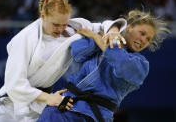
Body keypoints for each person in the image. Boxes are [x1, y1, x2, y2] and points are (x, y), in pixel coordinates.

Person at [0, 0, 127, 122]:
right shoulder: (25, 38)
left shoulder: (73, 27)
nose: (60, 29)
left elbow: (103, 25)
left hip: (40, 104)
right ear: (43, 16)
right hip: (11, 106)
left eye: (64, 24)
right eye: (56, 25)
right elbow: (14, 84)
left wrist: (113, 31)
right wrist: (49, 98)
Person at [37, 9, 170, 122]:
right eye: (142, 33)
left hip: (95, 115)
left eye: (148, 39)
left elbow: (120, 62)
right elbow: (77, 52)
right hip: (64, 106)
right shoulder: (103, 41)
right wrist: (102, 38)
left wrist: (98, 37)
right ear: (129, 27)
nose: (143, 40)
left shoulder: (141, 64)